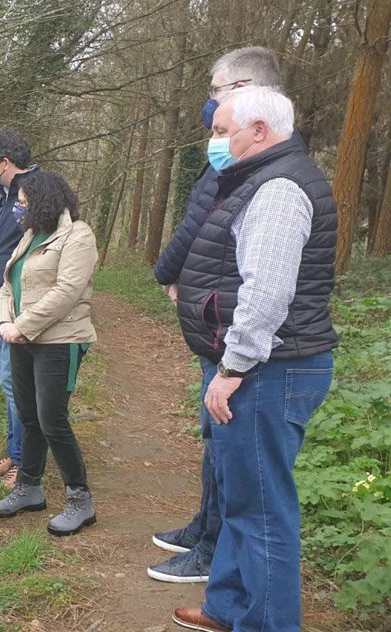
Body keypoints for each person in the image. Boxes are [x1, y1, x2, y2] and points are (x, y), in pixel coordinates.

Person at [172, 86, 337, 632]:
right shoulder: (259, 179)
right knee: (241, 498)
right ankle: (226, 607)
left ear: (259, 130)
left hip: (270, 370)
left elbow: (266, 292)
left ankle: (265, 623)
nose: (214, 142)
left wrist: (233, 368)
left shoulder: (278, 188)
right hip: (265, 368)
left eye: (222, 131)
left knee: (263, 509)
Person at [148, 46, 287, 585]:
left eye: (215, 91)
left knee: (231, 453)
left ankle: (212, 552)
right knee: (214, 443)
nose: (210, 106)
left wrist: (168, 271)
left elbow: (197, 226)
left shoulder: (256, 159)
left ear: (247, 89)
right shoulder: (237, 151)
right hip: (216, 322)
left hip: (232, 330)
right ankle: (204, 529)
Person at [0, 170, 98, 537]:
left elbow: (67, 290)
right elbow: (8, 285)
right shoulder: (31, 236)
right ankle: (30, 488)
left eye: (23, 203)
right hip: (20, 340)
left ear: (44, 201)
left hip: (59, 342)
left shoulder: (77, 236)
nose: (19, 210)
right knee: (28, 414)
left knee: (53, 419)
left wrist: (24, 326)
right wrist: (6, 324)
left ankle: (79, 498)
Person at [0, 129, 40, 490]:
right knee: (8, 382)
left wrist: (5, 299)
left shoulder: (33, 192)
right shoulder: (4, 192)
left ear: (5, 161)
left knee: (17, 384)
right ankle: (14, 453)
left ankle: (24, 465)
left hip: (17, 303)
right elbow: (0, 251)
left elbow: (31, 253)